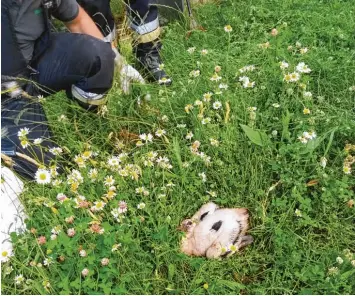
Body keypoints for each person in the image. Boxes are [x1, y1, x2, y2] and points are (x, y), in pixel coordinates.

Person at [1, 0, 171, 180]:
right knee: (46, 172)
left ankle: (86, 123)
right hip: (5, 91)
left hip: (36, 62)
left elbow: (78, 19)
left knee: (99, 54)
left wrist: (118, 62)